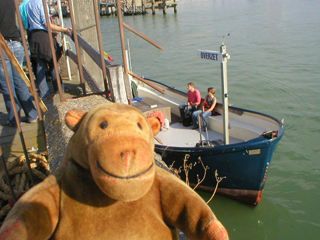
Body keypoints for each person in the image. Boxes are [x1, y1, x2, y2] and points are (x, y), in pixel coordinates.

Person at [0, 0, 38, 127]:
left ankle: (14, 118)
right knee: (20, 81)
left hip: (3, 45)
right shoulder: (11, 1)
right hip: (16, 43)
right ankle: (32, 114)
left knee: (7, 84)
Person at [27, 0, 71, 99]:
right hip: (44, 37)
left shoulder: (29, 3)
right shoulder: (41, 4)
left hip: (34, 36)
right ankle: (59, 88)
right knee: (53, 63)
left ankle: (44, 93)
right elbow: (47, 23)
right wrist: (64, 29)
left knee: (40, 66)